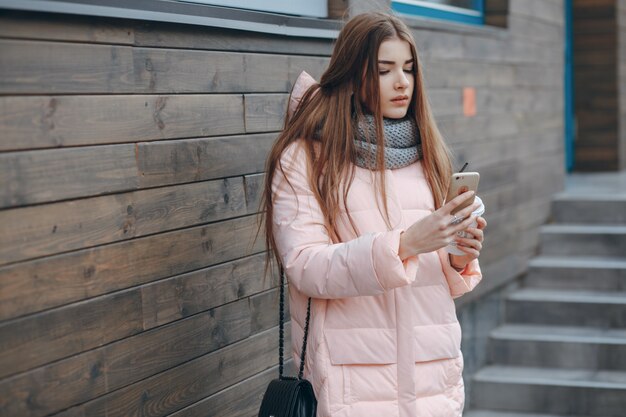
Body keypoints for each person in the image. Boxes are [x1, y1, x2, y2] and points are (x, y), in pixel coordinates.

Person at [260, 11, 487, 417]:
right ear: (351, 76)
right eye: (385, 70)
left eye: (409, 69)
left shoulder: (428, 153)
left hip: (433, 383)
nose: (402, 82)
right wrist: (403, 245)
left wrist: (460, 254)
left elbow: (441, 280)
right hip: (354, 387)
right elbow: (304, 265)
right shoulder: (306, 159)